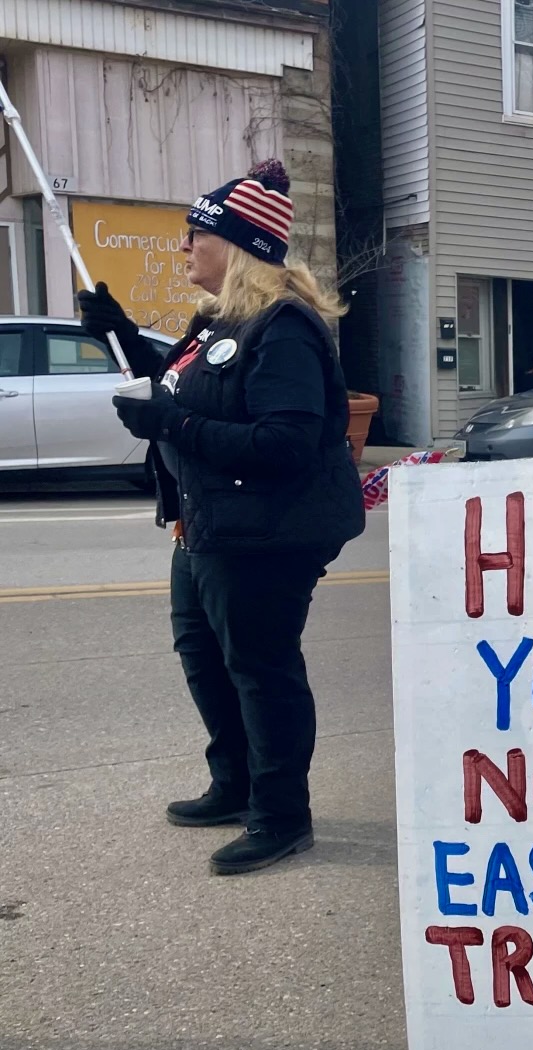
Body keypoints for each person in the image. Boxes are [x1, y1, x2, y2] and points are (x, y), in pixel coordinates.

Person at [77, 159, 366, 876]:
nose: (182, 248)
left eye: (193, 235)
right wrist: (117, 333)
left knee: (261, 669)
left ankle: (281, 814)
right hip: (208, 525)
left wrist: (169, 424)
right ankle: (233, 783)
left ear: (234, 244)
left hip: (267, 533)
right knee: (204, 657)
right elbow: (181, 386)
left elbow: (285, 444)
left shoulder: (286, 329)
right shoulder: (215, 323)